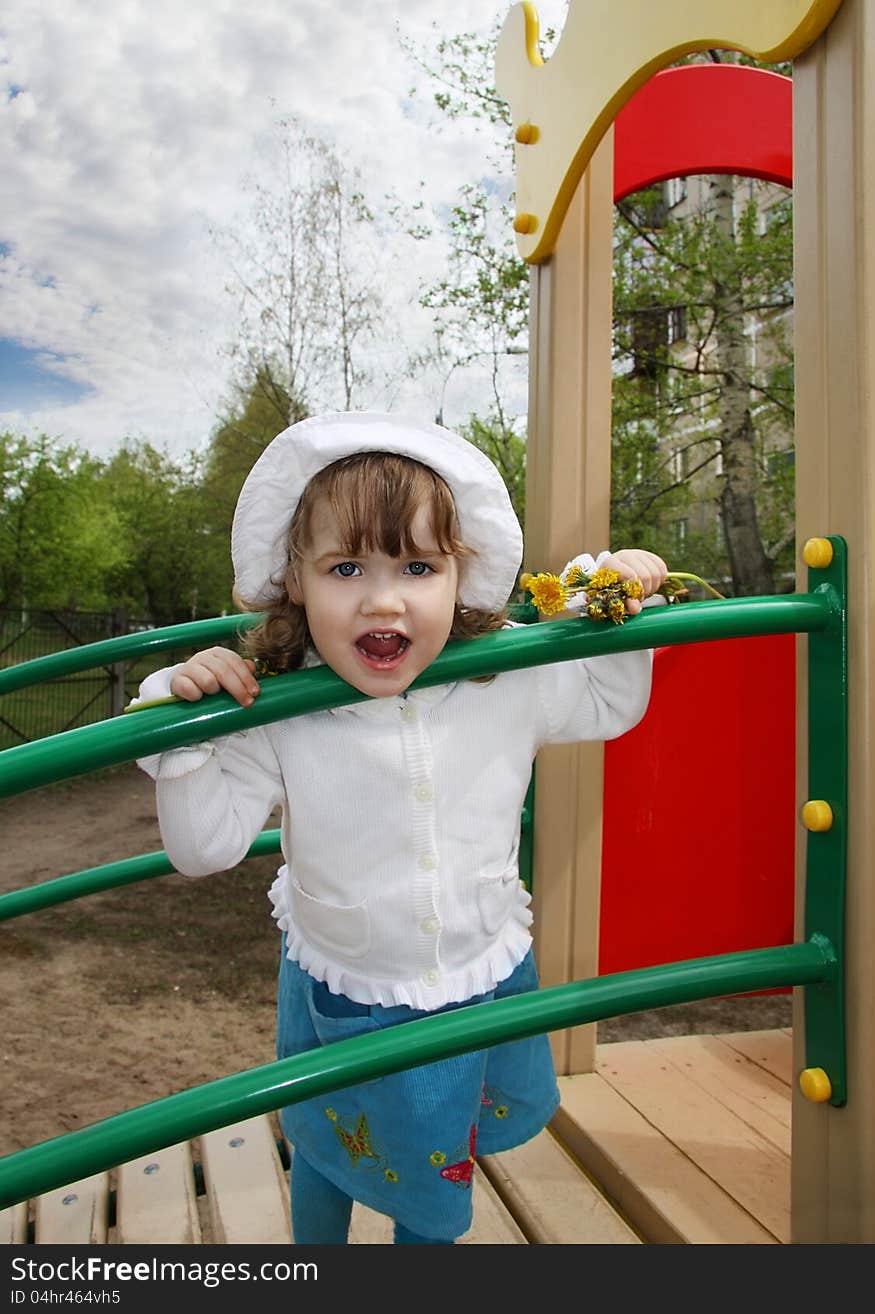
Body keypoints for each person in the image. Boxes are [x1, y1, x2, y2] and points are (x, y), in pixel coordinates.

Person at [133, 411, 667, 1245]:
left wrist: (622, 594)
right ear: (297, 579)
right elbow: (204, 849)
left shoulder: (506, 677)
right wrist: (188, 730)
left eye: (418, 565)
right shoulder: (278, 706)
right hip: (352, 981)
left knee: (432, 1179)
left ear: (463, 574)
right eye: (347, 566)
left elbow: (606, 701)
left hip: (474, 967)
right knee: (324, 1139)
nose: (384, 597)